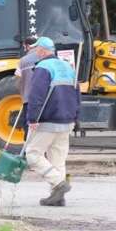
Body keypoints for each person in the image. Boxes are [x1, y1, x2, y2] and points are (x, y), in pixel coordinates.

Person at [23, 37, 78, 206]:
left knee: (32, 154)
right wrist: (76, 117)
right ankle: (57, 197)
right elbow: (77, 95)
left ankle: (59, 184)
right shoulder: (68, 67)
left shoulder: (42, 68)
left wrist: (32, 118)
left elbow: (36, 95)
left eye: (35, 49)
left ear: (41, 50)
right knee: (58, 159)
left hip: (48, 120)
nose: (34, 52)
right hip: (67, 120)